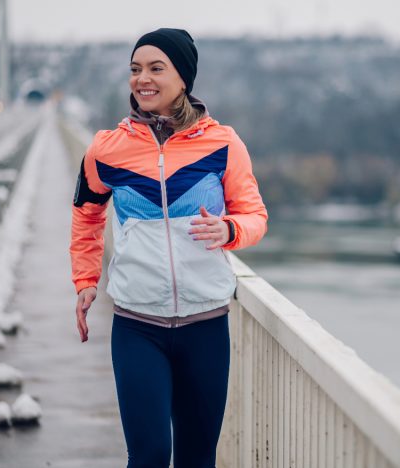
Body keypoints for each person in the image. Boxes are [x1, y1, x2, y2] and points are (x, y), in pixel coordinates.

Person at [69, 28, 268, 468]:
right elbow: (86, 212)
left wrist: (230, 229)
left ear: (183, 79)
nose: (143, 78)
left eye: (156, 68)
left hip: (206, 326)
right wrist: (86, 279)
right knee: (151, 454)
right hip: (138, 326)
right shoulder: (106, 149)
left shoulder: (223, 145)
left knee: (197, 459)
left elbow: (255, 216)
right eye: (136, 69)